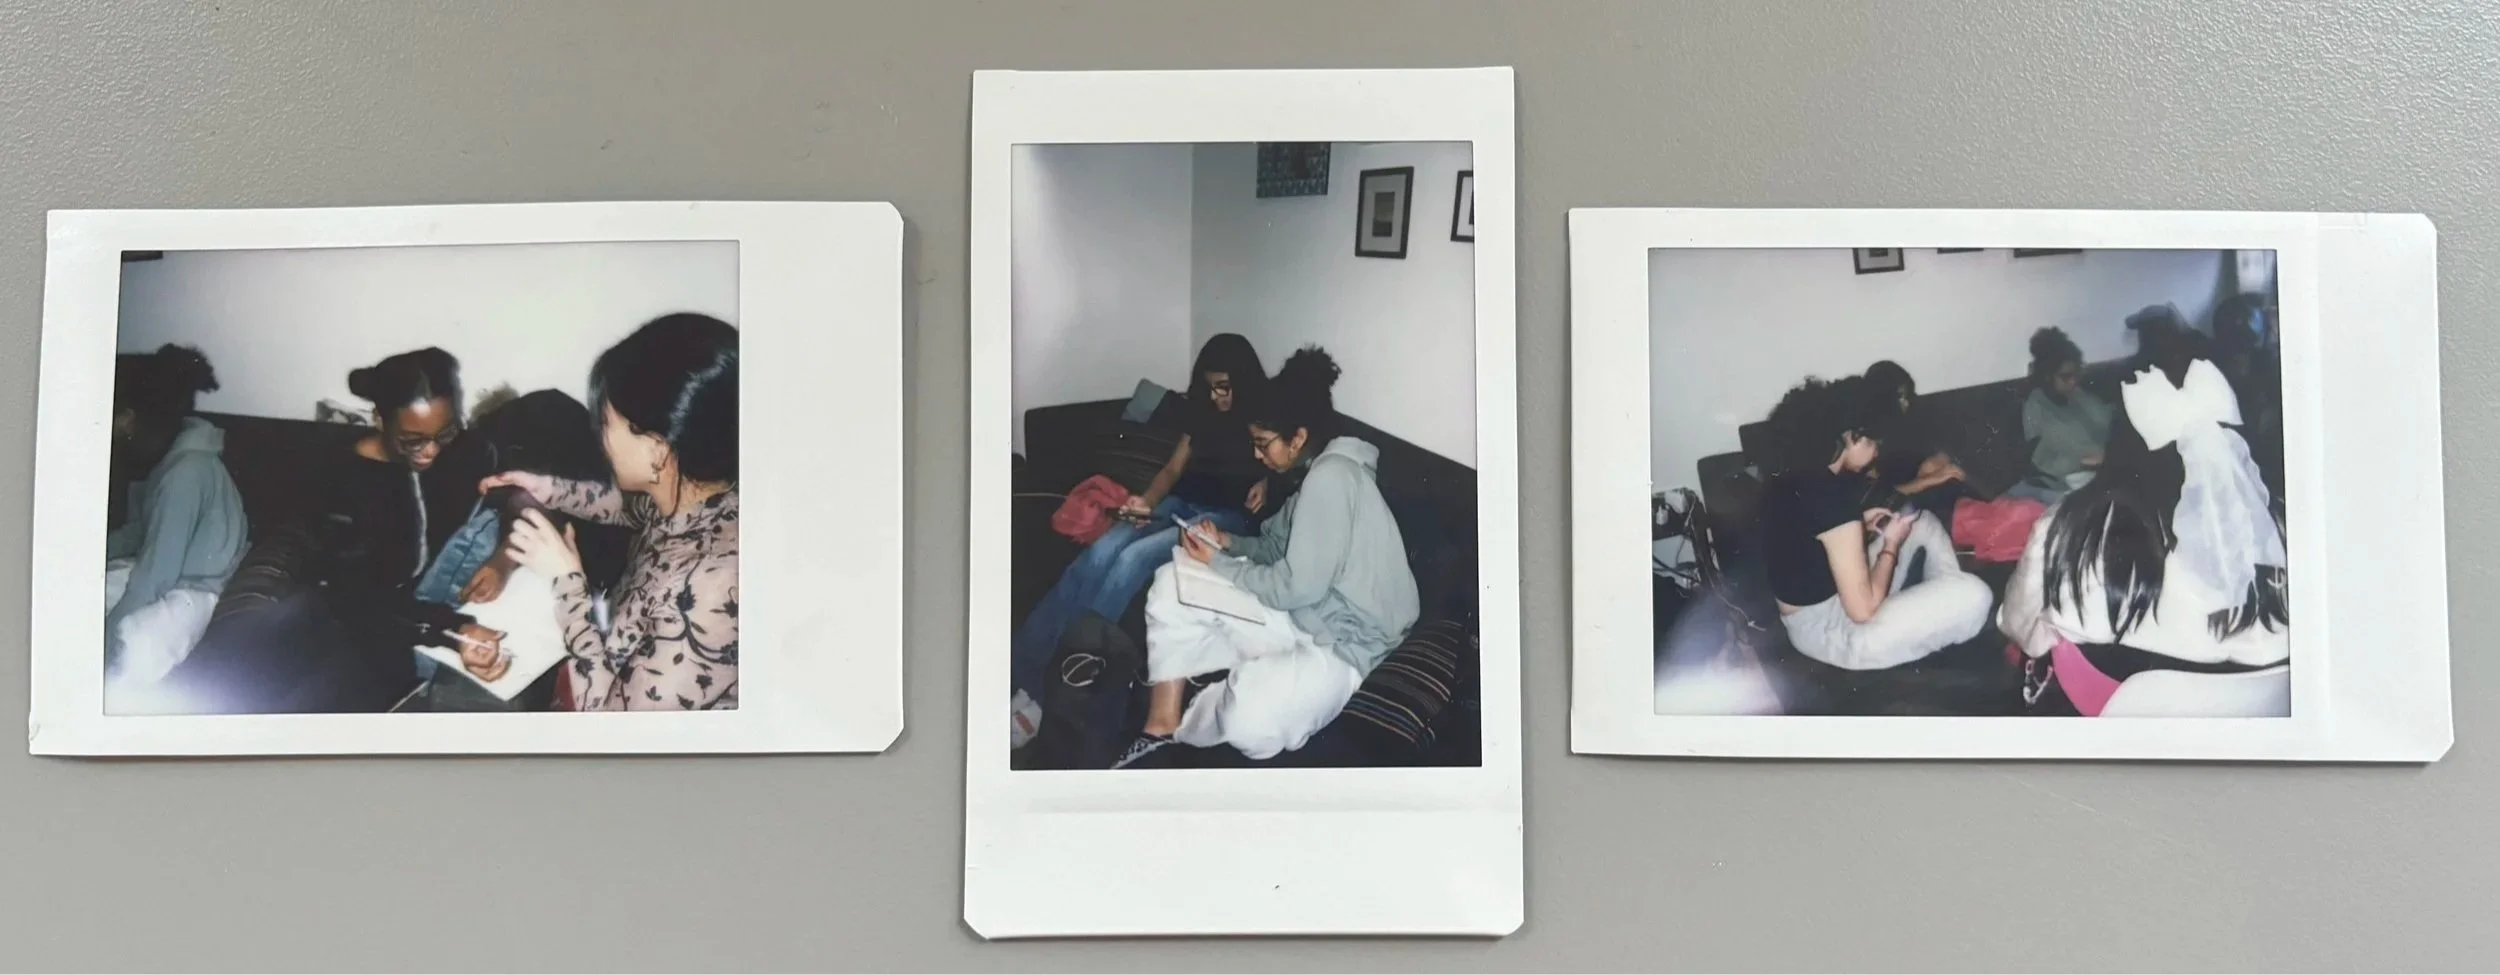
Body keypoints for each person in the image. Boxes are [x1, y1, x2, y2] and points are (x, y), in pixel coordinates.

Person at [1112, 347, 1417, 767]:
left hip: (1345, 647)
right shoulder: (1312, 477)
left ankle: (1215, 689)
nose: (1257, 456)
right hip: (1302, 613)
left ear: (1298, 438)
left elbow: (1294, 586)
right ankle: (1160, 728)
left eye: (1263, 445)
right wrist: (1229, 543)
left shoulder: (1333, 478)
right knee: (1172, 582)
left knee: (1249, 724)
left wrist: (1217, 564)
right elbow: (1276, 550)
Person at [1008, 333, 1274, 746]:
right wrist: (1146, 501)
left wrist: (1269, 482)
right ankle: (1019, 669)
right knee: (1100, 553)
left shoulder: (1263, 413)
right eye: (1209, 385)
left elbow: (1288, 456)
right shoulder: (1202, 412)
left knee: (1131, 562)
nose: (1217, 395)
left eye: (1224, 385)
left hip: (1225, 518)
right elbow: (1170, 471)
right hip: (1181, 502)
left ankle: (1057, 690)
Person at [1996, 348, 2288, 716]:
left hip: (2127, 711)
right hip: (2265, 709)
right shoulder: (2278, 518)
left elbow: (2019, 624)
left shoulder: (2070, 526)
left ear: (2120, 444)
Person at [489, 312, 739, 711]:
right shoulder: (700, 495)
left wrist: (566, 581)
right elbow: (629, 510)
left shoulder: (714, 590)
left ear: (657, 448)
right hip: (603, 653)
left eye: (606, 423)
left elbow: (612, 727)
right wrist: (549, 488)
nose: (600, 437)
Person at [321, 347, 552, 707]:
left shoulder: (468, 450)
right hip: (391, 624)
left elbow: (509, 498)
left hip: (461, 602)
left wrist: (502, 560)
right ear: (380, 420)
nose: (432, 452)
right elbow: (358, 601)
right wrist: (453, 632)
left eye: (443, 434)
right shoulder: (342, 483)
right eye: (412, 440)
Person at [1757, 373, 1992, 671]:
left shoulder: (1792, 477)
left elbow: (1809, 545)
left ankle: (1942, 593)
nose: (1877, 451)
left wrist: (1859, 527)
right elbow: (1863, 611)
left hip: (1824, 601)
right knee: (1977, 595)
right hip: (1833, 631)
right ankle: (1950, 610)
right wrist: (1890, 545)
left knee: (1919, 519)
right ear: (1851, 437)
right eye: (1873, 442)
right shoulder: (1832, 497)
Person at [103, 345, 247, 710]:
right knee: (86, 591)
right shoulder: (159, 460)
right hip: (168, 570)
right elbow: (140, 533)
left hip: (198, 589)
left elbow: (157, 573)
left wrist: (104, 639)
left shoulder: (186, 473)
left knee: (131, 652)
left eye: (115, 416)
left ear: (133, 417)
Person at [2008, 326, 2114, 504]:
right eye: (2065, 377)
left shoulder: (2078, 395)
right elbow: (2039, 463)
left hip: (2103, 471)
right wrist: (2082, 461)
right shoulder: (2035, 406)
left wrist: (2080, 395)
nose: (2073, 381)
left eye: (2075, 375)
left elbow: (2107, 421)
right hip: (2069, 480)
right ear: (2048, 376)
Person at [1861, 359, 1966, 504]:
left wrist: (1940, 458)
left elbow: (1948, 439)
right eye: (1900, 397)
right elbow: (1877, 497)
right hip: (1902, 504)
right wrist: (1925, 480)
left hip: (1935, 489)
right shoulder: (1867, 438)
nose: (1906, 403)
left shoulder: (1910, 416)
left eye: (1906, 396)